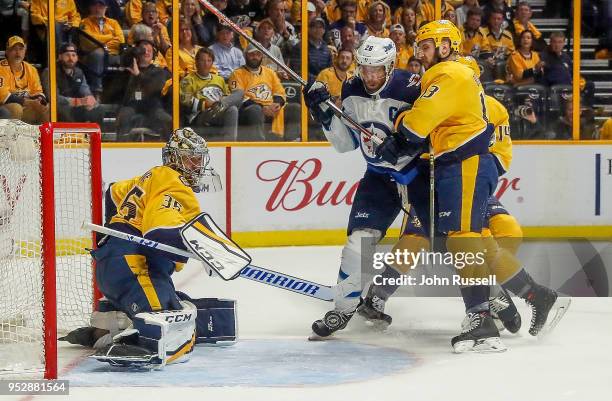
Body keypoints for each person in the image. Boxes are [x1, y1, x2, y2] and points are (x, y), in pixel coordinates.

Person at [362, 55, 569, 339]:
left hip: (457, 178)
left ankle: (490, 304)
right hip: (445, 178)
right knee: (470, 243)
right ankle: (522, 296)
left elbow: (494, 154)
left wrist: (464, 173)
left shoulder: (476, 105)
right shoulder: (451, 100)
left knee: (449, 240)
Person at [377, 20, 503, 352]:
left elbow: (420, 121)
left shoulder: (449, 74)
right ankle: (491, 309)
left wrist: (399, 128)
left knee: (463, 239)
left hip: (465, 162)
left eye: (426, 46)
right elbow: (428, 125)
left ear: (446, 46)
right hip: (455, 163)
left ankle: (483, 316)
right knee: (458, 240)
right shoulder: (456, 74)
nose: (420, 53)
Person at [62, 128, 222, 368]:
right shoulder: (174, 183)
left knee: (169, 301)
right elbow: (159, 228)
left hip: (110, 264)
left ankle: (102, 330)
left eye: (199, 159)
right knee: (175, 324)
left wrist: (113, 235)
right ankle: (139, 343)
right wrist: (200, 249)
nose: (198, 165)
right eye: (192, 158)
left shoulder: (148, 179)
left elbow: (113, 192)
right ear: (175, 159)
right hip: (136, 266)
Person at [302, 36, 421, 339]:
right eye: (365, 68)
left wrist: (408, 143)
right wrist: (323, 113)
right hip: (379, 178)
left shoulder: (412, 86)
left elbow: (434, 128)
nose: (369, 76)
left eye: (376, 69)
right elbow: (345, 144)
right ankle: (342, 310)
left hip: (419, 175)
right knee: (357, 245)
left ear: (391, 66)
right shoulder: (351, 89)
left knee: (448, 242)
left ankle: (487, 304)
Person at [228, 44, 297, 141]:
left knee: (295, 108)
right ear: (245, 56)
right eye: (251, 54)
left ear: (262, 56)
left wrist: (277, 103)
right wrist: (262, 107)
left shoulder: (270, 72)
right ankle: (258, 144)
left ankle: (292, 141)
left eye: (258, 54)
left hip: (272, 108)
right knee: (255, 110)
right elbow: (238, 96)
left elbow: (279, 91)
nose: (255, 57)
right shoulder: (237, 74)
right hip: (248, 109)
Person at [180, 47, 243, 141]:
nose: (206, 64)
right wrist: (206, 104)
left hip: (219, 110)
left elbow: (226, 95)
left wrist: (221, 102)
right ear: (196, 62)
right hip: (201, 115)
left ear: (212, 63)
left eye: (209, 61)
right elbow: (185, 100)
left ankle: (220, 106)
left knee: (239, 93)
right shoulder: (188, 80)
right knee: (232, 108)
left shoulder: (219, 79)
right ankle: (229, 143)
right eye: (203, 60)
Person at [117, 39, 172, 141]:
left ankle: (169, 150)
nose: (146, 52)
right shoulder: (128, 69)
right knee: (123, 115)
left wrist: (138, 75)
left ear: (154, 54)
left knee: (166, 119)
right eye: (143, 50)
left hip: (153, 106)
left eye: (149, 50)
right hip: (132, 105)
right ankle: (122, 148)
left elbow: (154, 87)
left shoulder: (159, 71)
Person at [41, 43, 104, 124]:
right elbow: (53, 98)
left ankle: (93, 135)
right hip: (58, 106)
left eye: (73, 55)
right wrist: (76, 101)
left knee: (99, 109)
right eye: (67, 55)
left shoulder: (79, 72)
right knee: (64, 109)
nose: (71, 58)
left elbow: (85, 91)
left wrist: (90, 100)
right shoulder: (50, 72)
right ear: (60, 57)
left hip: (75, 105)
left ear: (77, 58)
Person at [79, 0, 125, 98]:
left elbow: (120, 40)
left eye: (101, 6)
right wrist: (109, 37)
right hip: (91, 56)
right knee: (98, 54)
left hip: (112, 56)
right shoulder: (84, 23)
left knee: (130, 56)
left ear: (106, 8)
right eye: (94, 5)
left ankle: (129, 95)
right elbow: (87, 42)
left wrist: (103, 45)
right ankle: (96, 92)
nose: (97, 9)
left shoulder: (114, 23)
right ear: (90, 8)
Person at [0, 36, 49, 124]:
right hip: (4, 107)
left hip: (25, 106)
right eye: (14, 49)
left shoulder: (31, 69)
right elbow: (3, 96)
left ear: (25, 51)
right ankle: (10, 137)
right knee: (16, 108)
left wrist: (39, 100)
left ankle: (44, 136)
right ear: (7, 52)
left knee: (47, 108)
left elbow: (38, 91)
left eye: (21, 49)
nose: (18, 53)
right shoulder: (1, 68)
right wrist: (29, 102)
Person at [308, 17, 333, 82]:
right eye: (315, 27)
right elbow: (298, 70)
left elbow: (330, 70)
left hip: (323, 84)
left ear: (324, 31)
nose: (318, 30)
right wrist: (317, 79)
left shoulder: (327, 50)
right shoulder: (301, 47)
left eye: (320, 27)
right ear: (309, 29)